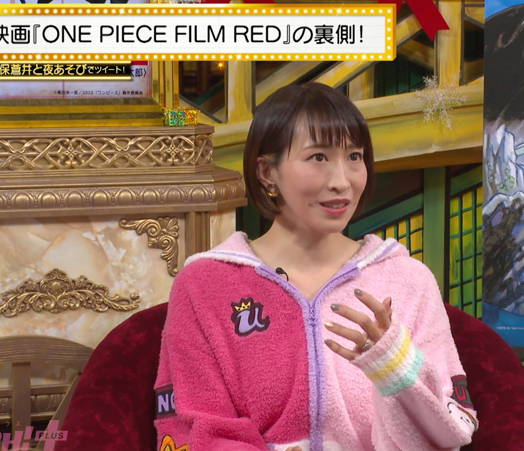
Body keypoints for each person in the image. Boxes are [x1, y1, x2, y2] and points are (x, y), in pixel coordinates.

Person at [153, 82, 478, 451]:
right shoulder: (203, 284)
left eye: (354, 156)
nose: (342, 182)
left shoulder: (409, 280)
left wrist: (396, 367)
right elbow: (194, 431)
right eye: (318, 157)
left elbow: (453, 428)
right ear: (266, 172)